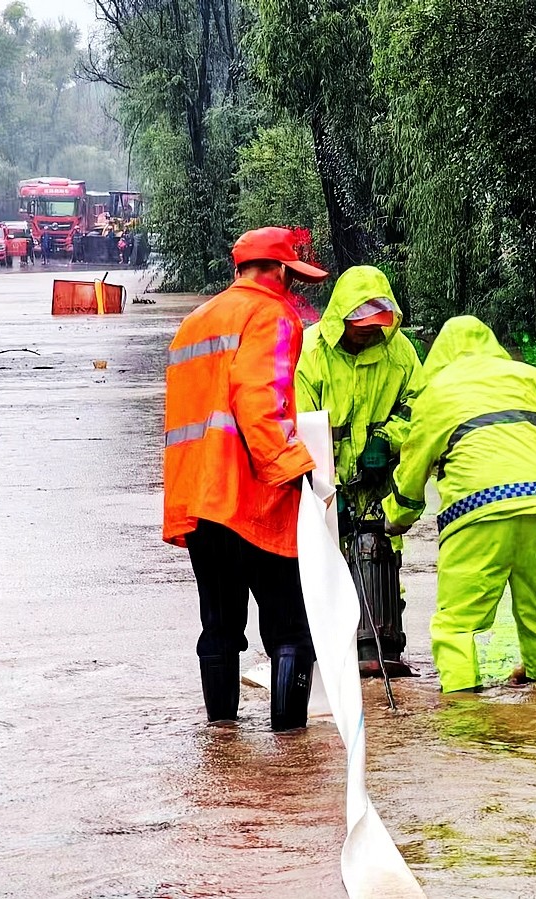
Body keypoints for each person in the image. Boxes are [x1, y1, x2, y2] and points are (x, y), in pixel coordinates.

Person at [382, 316, 536, 693]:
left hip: (476, 510)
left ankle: (462, 709)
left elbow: (413, 466)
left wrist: (396, 517)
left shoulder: (437, 392)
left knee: (456, 625)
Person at [163, 226, 330, 730]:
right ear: (277, 270)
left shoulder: (194, 322)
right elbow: (260, 400)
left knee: (218, 626)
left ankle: (222, 738)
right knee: (290, 629)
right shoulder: (272, 314)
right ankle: (290, 748)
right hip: (253, 497)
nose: (291, 285)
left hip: (200, 500)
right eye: (290, 274)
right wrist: (297, 470)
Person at [295, 265, 423, 676]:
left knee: (380, 557)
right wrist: (326, 493)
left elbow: (418, 407)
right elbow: (300, 427)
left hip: (377, 485)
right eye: (361, 325)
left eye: (376, 325)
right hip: (323, 484)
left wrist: (387, 439)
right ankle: (329, 658)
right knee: (323, 571)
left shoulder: (399, 352)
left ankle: (382, 646)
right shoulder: (310, 353)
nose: (369, 333)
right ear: (342, 319)